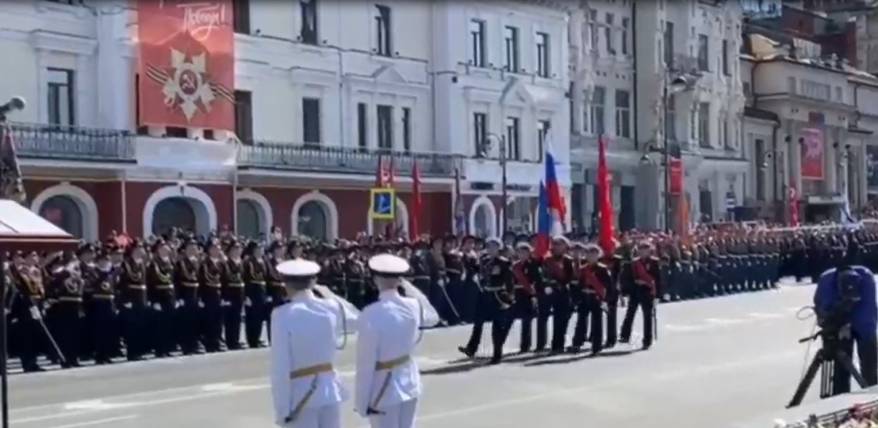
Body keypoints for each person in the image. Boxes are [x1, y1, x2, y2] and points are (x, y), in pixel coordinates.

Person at [269, 258, 357, 428]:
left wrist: (282, 410)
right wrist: (330, 295)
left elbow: (280, 367)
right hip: (330, 391)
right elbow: (356, 317)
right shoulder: (331, 306)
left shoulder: (282, 315)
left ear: (286, 284)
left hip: (300, 395)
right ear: (314, 282)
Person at [355, 253, 439, 428]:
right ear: (400, 279)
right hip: (409, 382)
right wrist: (409, 287)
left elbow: (365, 363)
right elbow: (433, 317)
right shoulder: (413, 305)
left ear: (375, 279)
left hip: (383, 388)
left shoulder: (370, 313)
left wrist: (361, 403)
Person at [814, 264, 878, 396]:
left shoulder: (866, 278)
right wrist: (829, 322)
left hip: (864, 323)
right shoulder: (826, 282)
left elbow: (868, 311)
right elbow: (820, 305)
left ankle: (872, 394)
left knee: (869, 363)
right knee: (841, 365)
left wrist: (849, 324)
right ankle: (840, 395)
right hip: (837, 319)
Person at [458, 238, 514, 364]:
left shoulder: (504, 262)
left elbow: (509, 281)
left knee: (497, 326)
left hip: (497, 294)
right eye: (489, 246)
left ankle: (497, 355)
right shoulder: (484, 260)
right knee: (478, 322)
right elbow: (477, 270)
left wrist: (509, 297)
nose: (490, 249)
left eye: (493, 246)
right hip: (485, 294)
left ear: (498, 248)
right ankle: (471, 348)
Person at [620, 240, 661, 350]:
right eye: (641, 249)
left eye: (646, 249)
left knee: (647, 316)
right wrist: (629, 288)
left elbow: (658, 279)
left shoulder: (654, 262)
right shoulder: (633, 263)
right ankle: (625, 335)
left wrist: (658, 295)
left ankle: (647, 340)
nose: (643, 252)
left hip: (647, 291)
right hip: (635, 291)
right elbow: (627, 278)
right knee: (630, 313)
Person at [571, 243, 611, 355]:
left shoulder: (603, 269)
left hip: (596, 297)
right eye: (589, 254)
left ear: (598, 255)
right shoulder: (583, 269)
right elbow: (578, 285)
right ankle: (577, 343)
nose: (591, 256)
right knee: (581, 320)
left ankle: (596, 346)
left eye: (594, 254)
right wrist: (576, 298)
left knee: (597, 321)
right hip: (584, 296)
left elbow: (608, 286)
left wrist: (606, 300)